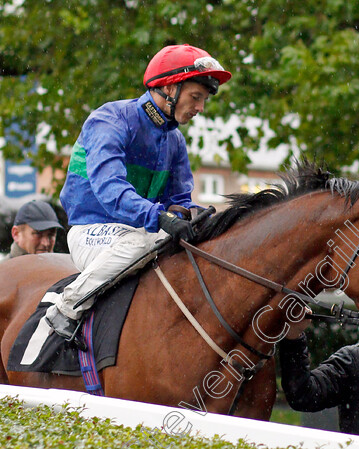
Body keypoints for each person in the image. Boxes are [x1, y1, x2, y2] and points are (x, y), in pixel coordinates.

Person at [45, 44, 231, 339]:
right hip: (91, 231)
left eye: (204, 100)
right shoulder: (109, 120)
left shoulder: (175, 142)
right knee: (145, 241)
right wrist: (160, 217)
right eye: (196, 97)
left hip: (140, 235)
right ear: (170, 87)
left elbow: (179, 201)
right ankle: (66, 308)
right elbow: (111, 190)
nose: (200, 108)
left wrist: (197, 216)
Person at [0, 199, 64, 295]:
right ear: (16, 234)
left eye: (51, 235)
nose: (46, 243)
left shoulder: (65, 276)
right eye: (38, 234)